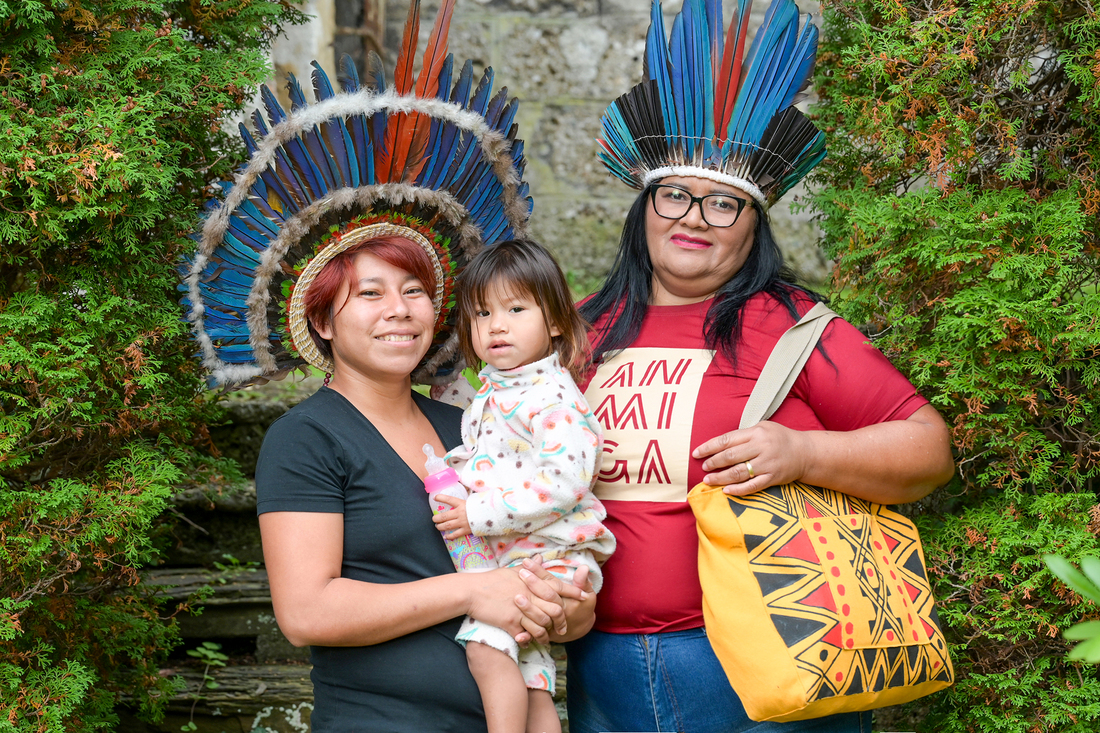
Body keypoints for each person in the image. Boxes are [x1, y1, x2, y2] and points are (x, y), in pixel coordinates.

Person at [178, 3, 597, 729]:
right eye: (368, 293)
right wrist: (471, 593)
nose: (399, 309)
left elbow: (535, 561)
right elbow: (308, 611)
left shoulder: (473, 422)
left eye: (415, 291)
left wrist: (570, 606)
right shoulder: (307, 439)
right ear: (322, 319)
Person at [563, 1, 957, 732]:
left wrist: (802, 450)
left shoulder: (797, 328)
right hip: (601, 671)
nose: (693, 218)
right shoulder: (578, 329)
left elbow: (928, 447)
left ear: (755, 224)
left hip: (761, 671)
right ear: (644, 206)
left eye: (724, 205)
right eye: (676, 194)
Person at [431, 240, 616, 733]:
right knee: (533, 676)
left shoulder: (553, 398)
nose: (497, 325)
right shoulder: (501, 388)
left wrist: (476, 514)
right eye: (482, 313)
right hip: (522, 557)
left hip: (552, 556)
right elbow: (492, 444)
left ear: (555, 320)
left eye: (516, 309)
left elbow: (563, 483)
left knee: (486, 650)